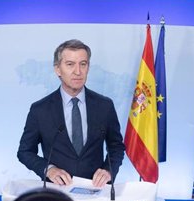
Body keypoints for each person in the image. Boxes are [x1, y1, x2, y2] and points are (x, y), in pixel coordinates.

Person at [17, 39, 125, 188]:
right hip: (57, 193)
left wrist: (108, 170)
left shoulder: (105, 105)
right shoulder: (40, 110)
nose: (78, 72)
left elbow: (116, 147)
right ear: (57, 69)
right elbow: (24, 152)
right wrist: (49, 170)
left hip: (96, 191)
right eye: (70, 64)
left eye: (83, 64)